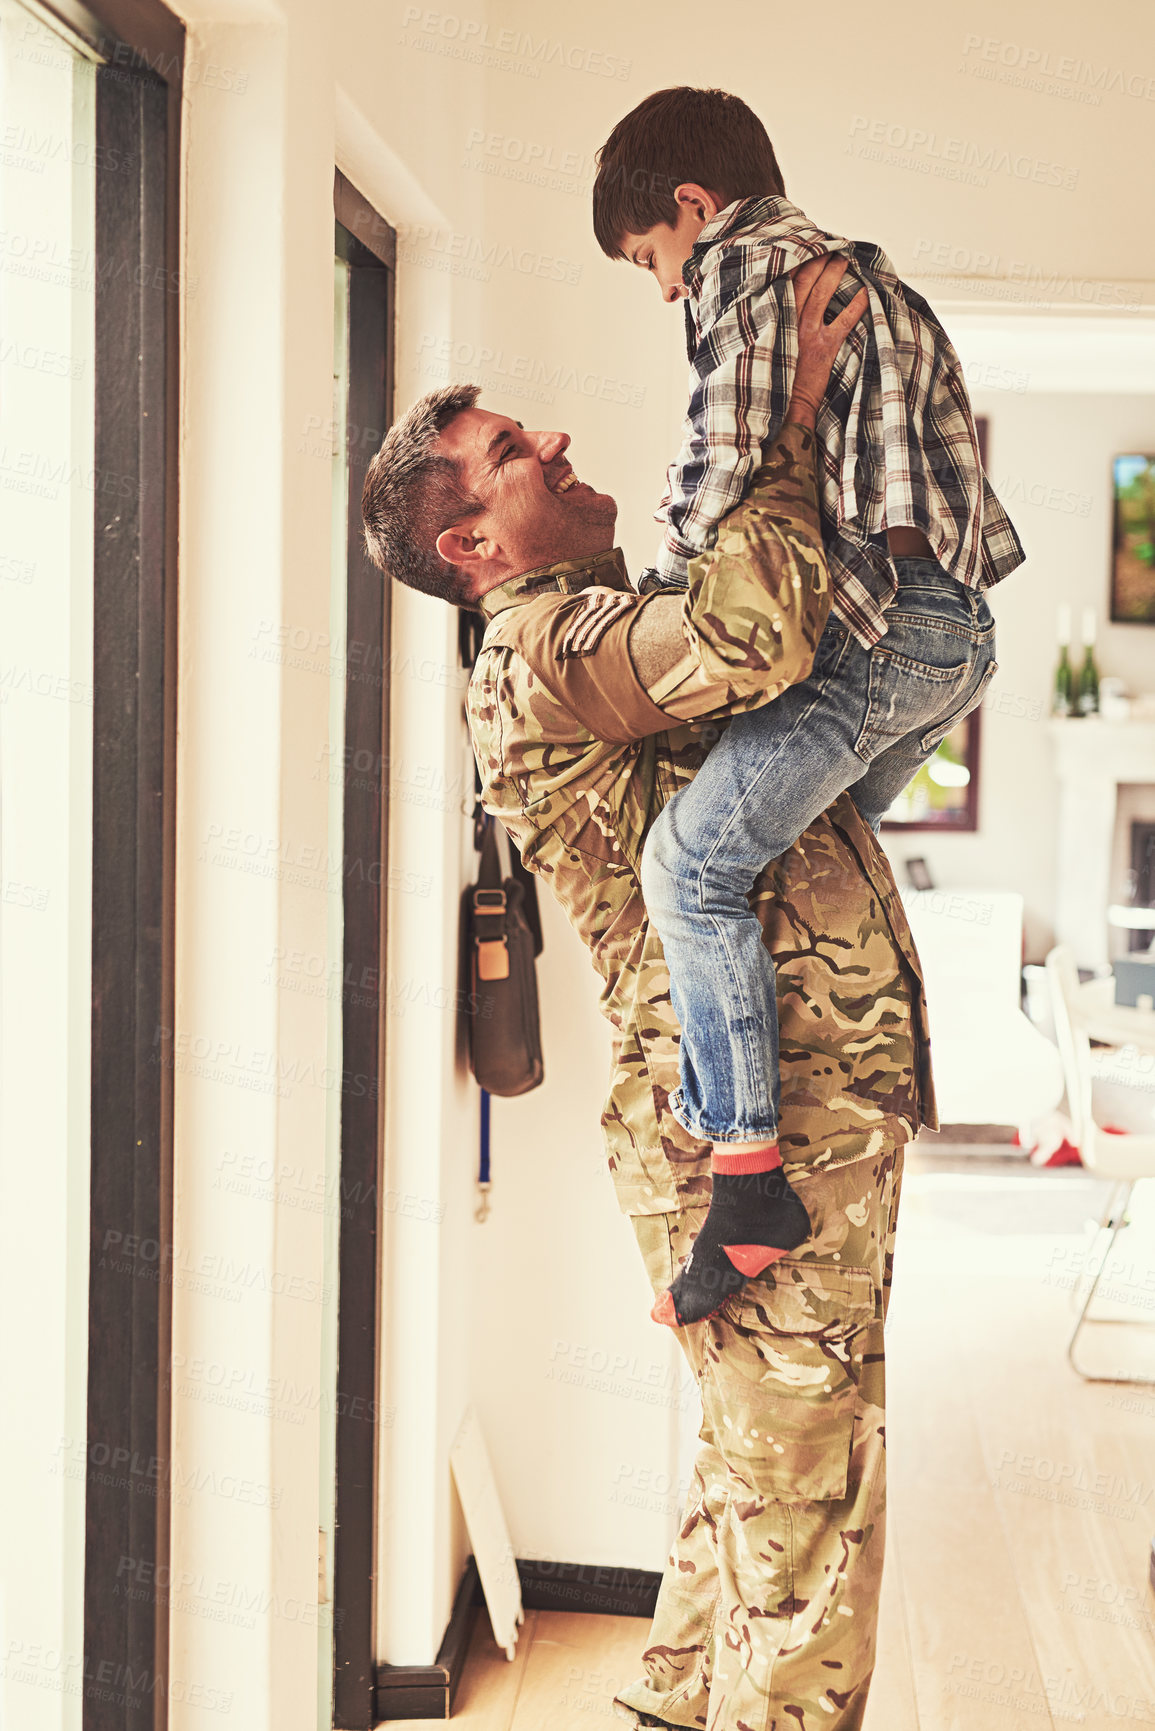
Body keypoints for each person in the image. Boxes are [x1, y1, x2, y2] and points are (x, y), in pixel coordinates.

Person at [361, 258, 936, 1730]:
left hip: (789, 1104)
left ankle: (674, 1702)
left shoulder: (589, 630)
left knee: (763, 1465)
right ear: (474, 538)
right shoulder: (549, 648)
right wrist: (787, 403)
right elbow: (756, 630)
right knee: (805, 1501)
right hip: (752, 1125)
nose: (551, 441)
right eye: (511, 451)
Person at [590, 87, 1020, 1323]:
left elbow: (724, 466)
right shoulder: (863, 276)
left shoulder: (751, 276)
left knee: (688, 871)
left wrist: (671, 571)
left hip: (877, 640)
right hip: (955, 643)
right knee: (810, 839)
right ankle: (781, 1084)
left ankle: (748, 1181)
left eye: (651, 260)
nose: (666, 289)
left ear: (692, 209)